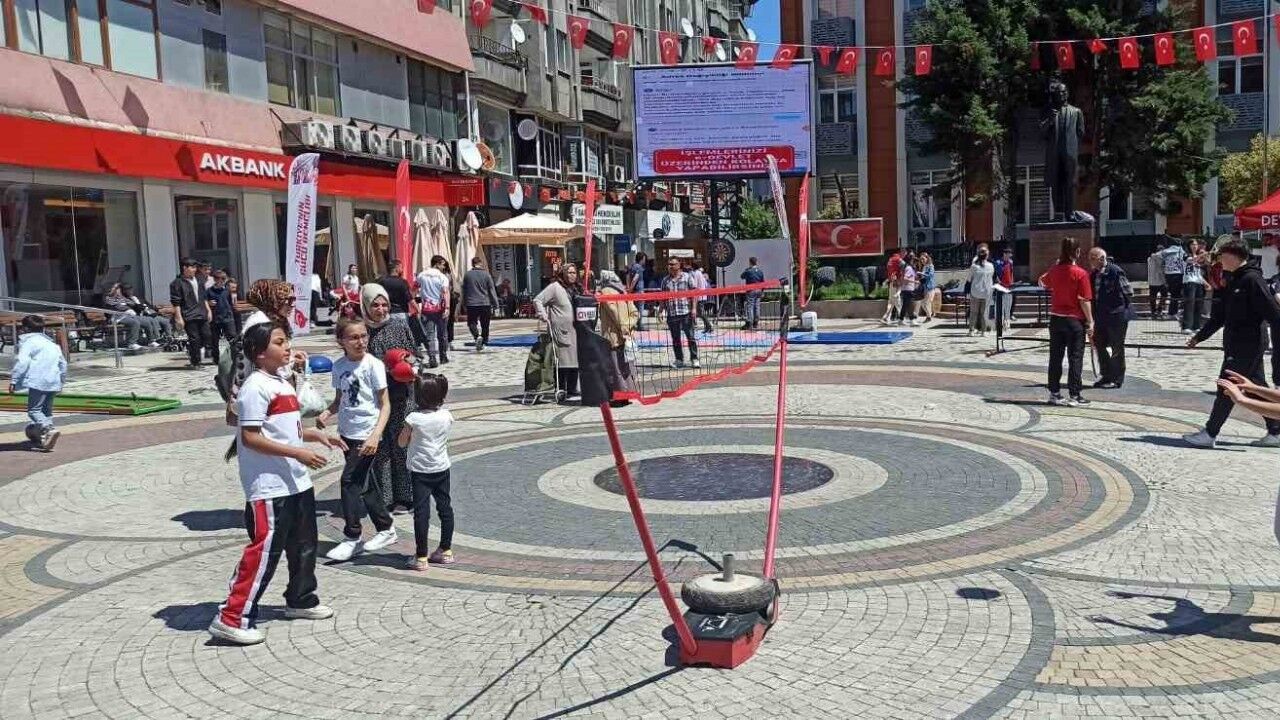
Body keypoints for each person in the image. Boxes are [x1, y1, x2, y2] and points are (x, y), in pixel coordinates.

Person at [208, 322, 343, 646]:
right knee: (264, 551)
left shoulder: (281, 382)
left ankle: (301, 599)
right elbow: (251, 437)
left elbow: (282, 428)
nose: (287, 347)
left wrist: (313, 435)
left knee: (304, 545)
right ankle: (232, 617)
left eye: (286, 341)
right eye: (279, 342)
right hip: (269, 487)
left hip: (296, 482)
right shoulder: (255, 387)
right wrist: (299, 453)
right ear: (259, 352)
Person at [1183, 236, 1280, 449]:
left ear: (1234, 256)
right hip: (1236, 343)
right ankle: (1275, 432)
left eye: (1222, 255)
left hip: (1248, 344)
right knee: (1254, 387)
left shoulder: (1252, 280)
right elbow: (1219, 316)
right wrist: (1199, 337)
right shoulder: (1233, 279)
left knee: (1227, 386)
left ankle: (1210, 433)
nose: (1219, 259)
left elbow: (1274, 315)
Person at [317, 317, 397, 562]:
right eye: (354, 337)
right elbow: (340, 399)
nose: (361, 341)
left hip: (367, 434)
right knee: (365, 483)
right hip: (347, 433)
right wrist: (327, 412)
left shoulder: (373, 365)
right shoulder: (339, 366)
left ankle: (352, 536)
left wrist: (375, 435)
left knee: (349, 481)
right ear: (341, 341)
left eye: (364, 336)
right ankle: (386, 528)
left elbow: (385, 404)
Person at [362, 284, 418, 514]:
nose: (381, 309)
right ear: (365, 306)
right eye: (375, 305)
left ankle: (406, 497)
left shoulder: (399, 326)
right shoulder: (361, 332)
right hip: (374, 398)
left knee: (401, 445)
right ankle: (384, 497)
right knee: (381, 448)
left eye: (384, 304)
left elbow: (415, 354)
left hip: (401, 394)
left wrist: (408, 365)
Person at [399, 373, 456, 571]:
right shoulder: (446, 415)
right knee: (445, 508)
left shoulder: (413, 418)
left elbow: (401, 442)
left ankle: (421, 556)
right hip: (441, 468)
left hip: (420, 471)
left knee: (421, 513)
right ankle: (446, 550)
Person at [1039, 237, 1095, 406]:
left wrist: (1054, 268)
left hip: (1056, 319)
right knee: (1075, 357)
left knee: (1055, 357)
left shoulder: (1054, 270)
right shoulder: (1081, 273)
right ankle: (1074, 394)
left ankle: (1054, 393)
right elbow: (1084, 300)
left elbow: (1042, 281)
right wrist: (1090, 321)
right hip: (1074, 320)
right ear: (1077, 252)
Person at [10, 315, 66, 451]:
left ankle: (48, 429)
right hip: (53, 380)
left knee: (34, 410)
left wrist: (14, 380)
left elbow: (22, 362)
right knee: (46, 411)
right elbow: (63, 364)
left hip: (38, 380)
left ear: (25, 329)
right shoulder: (52, 344)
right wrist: (61, 381)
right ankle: (45, 439)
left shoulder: (28, 343)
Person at [534, 263, 581, 399]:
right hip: (560, 331)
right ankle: (561, 388)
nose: (572, 275)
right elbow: (538, 300)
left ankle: (572, 388)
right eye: (569, 272)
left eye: (574, 273)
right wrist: (543, 315)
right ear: (563, 274)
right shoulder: (555, 287)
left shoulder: (576, 288)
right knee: (562, 360)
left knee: (575, 359)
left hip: (576, 329)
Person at [1088, 247, 1133, 389]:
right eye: (1090, 258)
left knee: (1116, 347)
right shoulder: (1093, 275)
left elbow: (1128, 292)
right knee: (1099, 345)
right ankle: (1106, 375)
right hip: (1100, 316)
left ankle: (1117, 378)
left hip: (1116, 315)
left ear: (1101, 258)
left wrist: (1119, 309)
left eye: (1093, 258)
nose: (1090, 261)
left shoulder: (1115, 271)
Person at [597, 270, 638, 401]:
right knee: (626, 365)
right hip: (627, 334)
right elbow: (635, 313)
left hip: (613, 335)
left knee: (616, 367)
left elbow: (614, 313)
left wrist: (623, 328)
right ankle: (630, 392)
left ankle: (620, 396)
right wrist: (629, 326)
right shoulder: (623, 291)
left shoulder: (605, 292)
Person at [170, 258, 216, 368]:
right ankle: (196, 362)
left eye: (195, 267)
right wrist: (178, 317)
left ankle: (192, 350)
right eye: (192, 267)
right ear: (184, 268)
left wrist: (208, 310)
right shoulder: (177, 283)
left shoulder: (199, 280)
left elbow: (204, 297)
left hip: (201, 312)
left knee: (207, 336)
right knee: (195, 338)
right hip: (188, 314)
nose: (194, 270)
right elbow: (176, 302)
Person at [661, 257, 701, 369]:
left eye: (672, 264)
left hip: (685, 312)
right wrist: (660, 310)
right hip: (672, 313)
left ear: (679, 265)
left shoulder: (687, 277)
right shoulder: (665, 280)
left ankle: (694, 358)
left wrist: (694, 309)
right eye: (669, 264)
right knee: (676, 338)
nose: (670, 266)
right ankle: (679, 359)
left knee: (691, 336)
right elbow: (663, 297)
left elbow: (694, 294)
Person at [415, 255, 451, 367]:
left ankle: (432, 358)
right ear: (437, 264)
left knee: (429, 335)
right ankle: (443, 357)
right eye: (443, 264)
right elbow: (445, 292)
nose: (444, 267)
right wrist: (447, 307)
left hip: (426, 309)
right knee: (442, 334)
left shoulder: (421, 275)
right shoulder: (442, 277)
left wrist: (416, 302)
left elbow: (414, 288)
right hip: (440, 309)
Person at [103, 282, 160, 350]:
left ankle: (151, 341)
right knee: (135, 323)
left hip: (129, 316)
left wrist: (140, 306)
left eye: (119, 289)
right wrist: (126, 307)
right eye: (117, 289)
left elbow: (133, 304)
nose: (119, 290)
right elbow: (114, 307)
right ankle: (132, 343)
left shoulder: (122, 298)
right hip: (118, 318)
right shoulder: (108, 298)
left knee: (147, 321)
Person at [377, 260, 418, 348]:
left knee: (389, 338)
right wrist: (417, 309)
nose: (402, 269)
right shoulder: (402, 282)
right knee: (402, 338)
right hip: (400, 312)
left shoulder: (381, 281)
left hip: (386, 313)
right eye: (401, 267)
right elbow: (409, 298)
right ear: (397, 268)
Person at [462, 257, 500, 351]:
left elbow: (464, 291)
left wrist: (464, 303)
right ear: (481, 263)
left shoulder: (467, 275)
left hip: (471, 303)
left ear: (472, 264)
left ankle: (477, 336)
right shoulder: (487, 275)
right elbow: (492, 290)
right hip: (485, 303)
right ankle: (484, 342)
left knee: (471, 322)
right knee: (485, 324)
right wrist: (496, 304)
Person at [1181, 239, 1209, 335]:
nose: (1195, 246)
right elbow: (1191, 260)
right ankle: (1186, 327)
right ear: (1189, 246)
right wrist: (1203, 255)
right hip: (1189, 281)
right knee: (1189, 304)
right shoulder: (1185, 255)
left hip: (1198, 282)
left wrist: (1205, 283)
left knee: (1198, 305)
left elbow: (1198, 274)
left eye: (1196, 244)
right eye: (1192, 244)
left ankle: (1196, 326)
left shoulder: (1198, 258)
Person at [967, 245, 995, 336]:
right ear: (987, 255)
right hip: (987, 292)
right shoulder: (991, 266)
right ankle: (983, 331)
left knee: (973, 312)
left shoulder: (974, 266)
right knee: (984, 313)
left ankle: (971, 330)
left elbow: (969, 279)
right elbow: (992, 277)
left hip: (975, 291)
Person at [207, 270, 238, 349]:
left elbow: (232, 303)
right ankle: (215, 356)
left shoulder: (227, 290)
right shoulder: (209, 291)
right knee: (214, 341)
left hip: (227, 318)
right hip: (215, 319)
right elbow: (203, 303)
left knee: (232, 339)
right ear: (215, 279)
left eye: (224, 279)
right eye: (221, 279)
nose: (223, 281)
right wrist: (208, 303)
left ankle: (235, 355)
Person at [1160, 240, 1187, 320]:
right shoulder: (1180, 250)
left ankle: (1173, 312)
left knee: (1173, 294)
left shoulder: (1165, 251)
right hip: (1178, 273)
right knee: (1177, 294)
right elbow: (1184, 260)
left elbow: (1161, 260)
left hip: (1168, 274)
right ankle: (1173, 313)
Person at [740, 257, 765, 330]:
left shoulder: (748, 271)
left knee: (750, 306)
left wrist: (747, 270)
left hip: (751, 291)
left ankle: (750, 323)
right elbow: (763, 282)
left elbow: (742, 276)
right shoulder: (760, 271)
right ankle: (756, 323)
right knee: (757, 306)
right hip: (759, 290)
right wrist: (762, 291)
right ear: (756, 262)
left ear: (750, 262)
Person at [881, 249, 903, 325]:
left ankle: (886, 317)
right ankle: (901, 319)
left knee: (891, 303)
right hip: (895, 283)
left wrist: (886, 281)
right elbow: (904, 266)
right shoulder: (898, 259)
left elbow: (889, 274)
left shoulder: (890, 260)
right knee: (898, 304)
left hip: (891, 284)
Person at [914, 252, 937, 324]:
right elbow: (923, 278)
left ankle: (929, 316)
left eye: (923, 259)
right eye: (921, 259)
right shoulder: (924, 267)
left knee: (925, 303)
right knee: (924, 303)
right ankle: (929, 316)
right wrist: (918, 279)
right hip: (925, 287)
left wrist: (921, 273)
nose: (922, 261)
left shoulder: (931, 266)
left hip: (930, 287)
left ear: (927, 258)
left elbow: (930, 275)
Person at [1148, 244, 1168, 319]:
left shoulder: (1149, 258)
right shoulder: (1160, 258)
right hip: (1161, 281)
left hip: (1152, 281)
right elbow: (1161, 269)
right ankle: (1159, 310)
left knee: (1153, 297)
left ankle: (1154, 312)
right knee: (1164, 296)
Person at [628, 252, 647, 329]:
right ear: (642, 259)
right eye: (644, 259)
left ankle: (634, 324)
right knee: (640, 309)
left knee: (634, 309)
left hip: (633, 292)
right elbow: (635, 279)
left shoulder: (632, 266)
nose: (645, 261)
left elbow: (628, 277)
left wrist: (629, 289)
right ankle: (640, 325)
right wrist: (630, 289)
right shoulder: (639, 267)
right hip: (639, 292)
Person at [898, 252, 918, 326]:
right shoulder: (909, 268)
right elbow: (905, 278)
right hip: (909, 289)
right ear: (910, 261)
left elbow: (903, 278)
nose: (914, 262)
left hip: (905, 289)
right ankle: (912, 321)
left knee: (905, 305)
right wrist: (915, 281)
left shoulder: (905, 268)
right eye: (913, 260)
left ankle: (901, 320)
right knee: (910, 305)